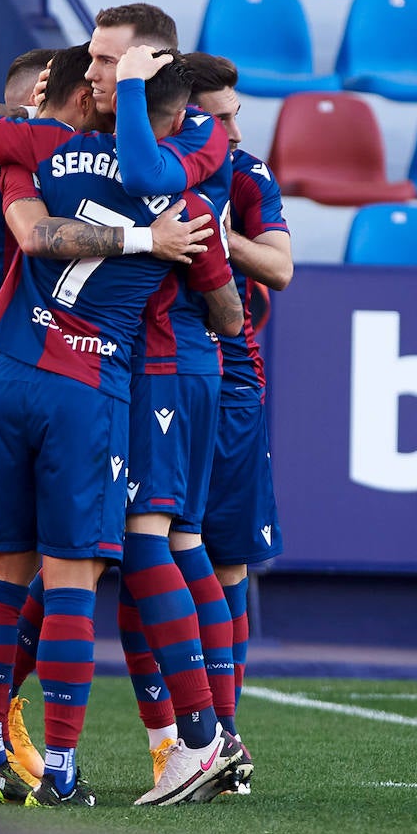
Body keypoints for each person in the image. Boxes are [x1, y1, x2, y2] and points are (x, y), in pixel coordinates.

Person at [0, 48, 213, 805]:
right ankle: (56, 765)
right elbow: (225, 297)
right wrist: (153, 241)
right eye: (92, 70)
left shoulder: (13, 159)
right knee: (67, 579)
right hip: (82, 384)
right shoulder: (150, 174)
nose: (99, 84)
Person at [114, 49, 294, 795]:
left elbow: (280, 268)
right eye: (215, 116)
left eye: (232, 117)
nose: (227, 128)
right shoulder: (155, 164)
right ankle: (184, 742)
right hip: (151, 366)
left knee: (219, 561)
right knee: (146, 551)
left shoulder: (243, 174)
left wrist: (218, 237)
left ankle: (221, 736)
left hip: (228, 378)